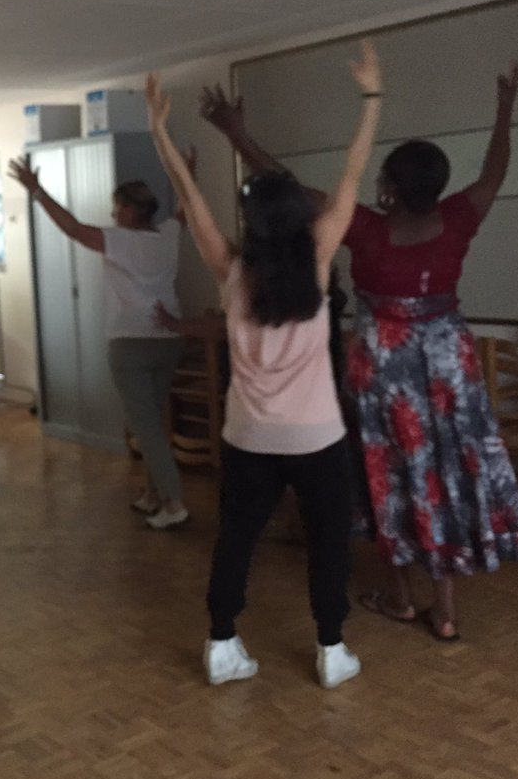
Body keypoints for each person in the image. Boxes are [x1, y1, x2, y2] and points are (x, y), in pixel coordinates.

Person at [200, 60, 518, 642]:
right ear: (438, 186)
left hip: (384, 363)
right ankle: (447, 607)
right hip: (449, 361)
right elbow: (496, 169)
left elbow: (285, 186)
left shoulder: (367, 229)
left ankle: (401, 597)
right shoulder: (459, 217)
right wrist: (505, 110)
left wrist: (236, 134)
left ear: (387, 188)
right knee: (444, 473)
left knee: (390, 473)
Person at [146, 40, 383, 688]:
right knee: (327, 542)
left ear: (249, 220)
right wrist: (370, 97)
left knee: (236, 539)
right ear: (298, 220)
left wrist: (160, 130)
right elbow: (353, 174)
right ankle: (332, 651)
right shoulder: (317, 261)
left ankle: (222, 644)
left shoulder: (231, 270)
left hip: (249, 438)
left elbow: (189, 195)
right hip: (317, 440)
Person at [7, 155, 188, 529]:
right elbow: (186, 208)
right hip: (168, 338)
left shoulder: (119, 239)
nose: (112, 213)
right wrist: (187, 172)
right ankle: (154, 494)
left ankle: (173, 503)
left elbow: (72, 228)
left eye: (115, 207)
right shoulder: (168, 233)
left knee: (146, 427)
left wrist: (37, 190)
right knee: (154, 420)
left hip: (130, 343)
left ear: (126, 209)